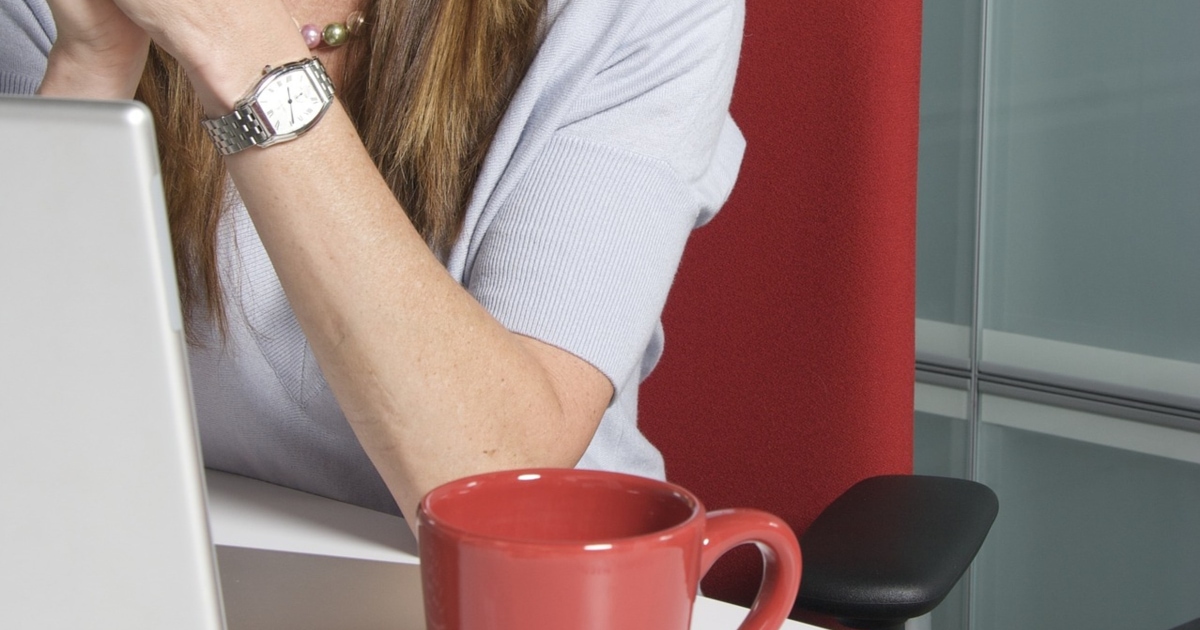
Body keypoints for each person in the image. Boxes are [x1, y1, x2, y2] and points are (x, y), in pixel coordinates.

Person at [0, 0, 746, 526]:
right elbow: (24, 442)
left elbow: (494, 484)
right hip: (189, 579)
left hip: (517, 601)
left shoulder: (637, 11)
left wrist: (240, 51)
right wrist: (91, 68)